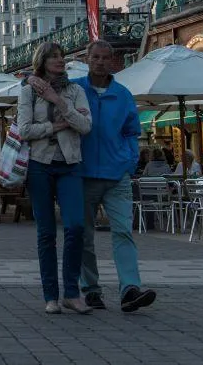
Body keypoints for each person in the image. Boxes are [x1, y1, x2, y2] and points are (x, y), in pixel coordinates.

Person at [74, 40, 157, 313]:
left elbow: (132, 131)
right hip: (84, 174)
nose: (100, 62)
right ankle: (90, 289)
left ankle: (130, 289)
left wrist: (129, 163)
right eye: (95, 57)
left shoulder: (122, 94)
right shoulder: (75, 90)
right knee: (84, 236)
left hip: (117, 175)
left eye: (105, 58)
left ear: (112, 61)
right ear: (87, 59)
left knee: (123, 231)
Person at [18, 42, 93, 315]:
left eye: (62, 56)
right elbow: (25, 130)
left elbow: (85, 126)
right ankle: (51, 296)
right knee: (47, 233)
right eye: (54, 57)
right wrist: (59, 124)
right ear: (42, 61)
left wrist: (58, 100)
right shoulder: (28, 92)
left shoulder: (75, 91)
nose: (60, 60)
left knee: (75, 227)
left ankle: (71, 293)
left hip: (70, 164)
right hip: (40, 165)